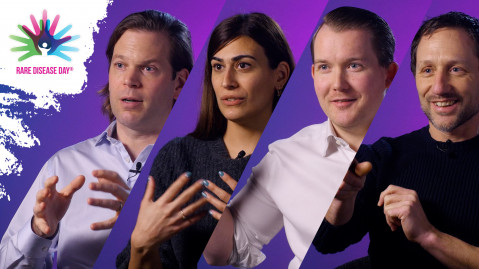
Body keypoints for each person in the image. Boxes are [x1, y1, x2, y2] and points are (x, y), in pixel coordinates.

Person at [204, 6, 398, 269]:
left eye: (354, 65)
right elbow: (223, 253)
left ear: (388, 75)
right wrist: (209, 204)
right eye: (325, 67)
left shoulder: (422, 144)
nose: (338, 84)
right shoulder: (286, 155)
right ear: (314, 74)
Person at [0, 10, 192, 268]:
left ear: (179, 83)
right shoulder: (64, 165)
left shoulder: (206, 165)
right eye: (120, 65)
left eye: (148, 68)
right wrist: (38, 231)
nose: (129, 81)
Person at [115, 12, 294, 269]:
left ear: (280, 75)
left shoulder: (296, 158)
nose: (227, 82)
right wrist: (142, 245)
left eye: (243, 65)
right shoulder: (178, 155)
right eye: (218, 67)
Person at [313, 11, 479, 269]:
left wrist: (428, 235)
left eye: (456, 69)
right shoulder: (383, 156)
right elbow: (327, 243)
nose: (438, 87)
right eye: (427, 70)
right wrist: (341, 198)